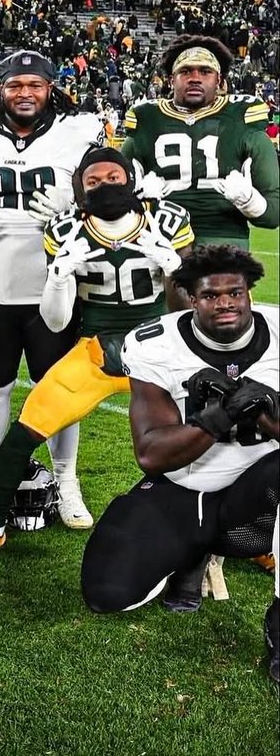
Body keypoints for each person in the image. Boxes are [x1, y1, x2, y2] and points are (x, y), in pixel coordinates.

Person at [0, 147, 193, 558]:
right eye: (93, 181)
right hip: (96, 351)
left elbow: (187, 310)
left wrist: (174, 268)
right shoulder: (64, 229)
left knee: (214, 433)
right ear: (79, 189)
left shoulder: (166, 219)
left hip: (160, 349)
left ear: (130, 178)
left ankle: (233, 529)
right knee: (24, 430)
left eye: (113, 177)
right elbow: (57, 322)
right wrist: (59, 276)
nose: (104, 186)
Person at [80, 246, 279, 685]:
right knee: (107, 594)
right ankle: (191, 555)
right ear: (191, 298)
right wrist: (219, 416)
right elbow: (151, 453)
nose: (225, 303)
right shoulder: (157, 343)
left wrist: (264, 409)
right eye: (211, 295)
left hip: (262, 490)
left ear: (249, 293)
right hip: (187, 485)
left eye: (236, 292)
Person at [0, 50, 106, 525]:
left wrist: (77, 206)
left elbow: (106, 193)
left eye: (35, 84)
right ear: (1, 88)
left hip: (55, 285)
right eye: (16, 85)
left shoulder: (78, 132)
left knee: (58, 389)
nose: (25, 93)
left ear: (50, 87)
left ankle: (66, 480)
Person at [120, 36, 279, 249]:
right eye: (185, 71)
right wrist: (137, 201)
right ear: (170, 80)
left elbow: (273, 215)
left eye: (205, 71)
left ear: (220, 80)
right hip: (159, 242)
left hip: (223, 242)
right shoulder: (145, 120)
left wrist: (249, 200)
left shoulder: (243, 120)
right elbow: (112, 202)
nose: (195, 78)